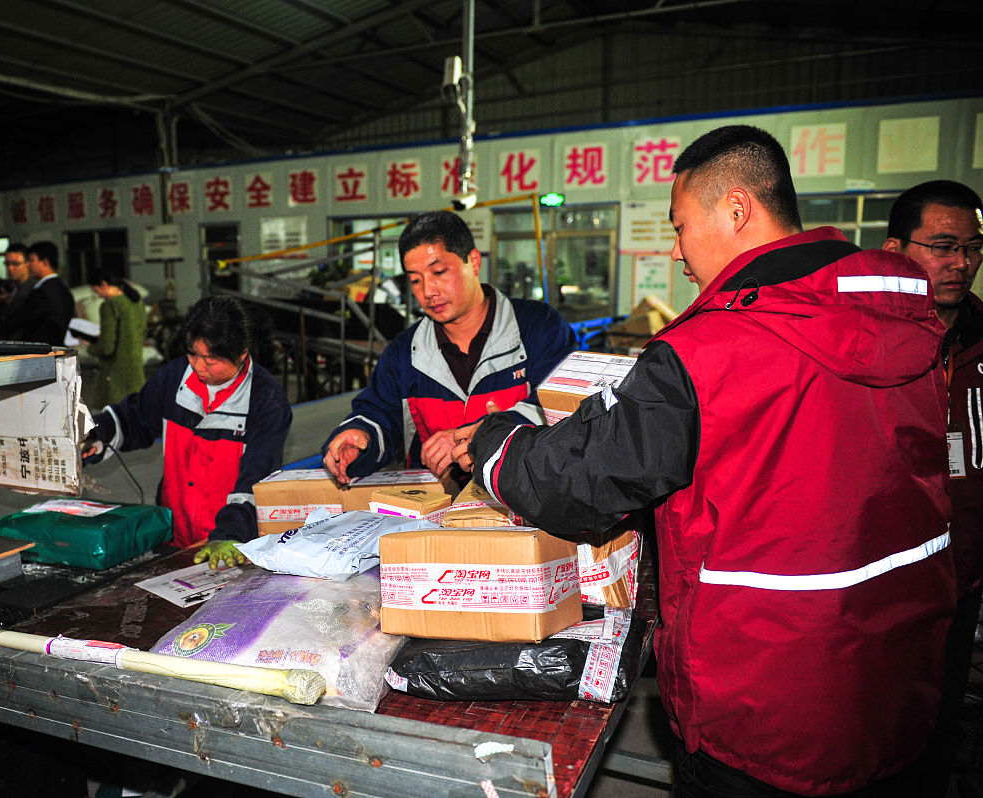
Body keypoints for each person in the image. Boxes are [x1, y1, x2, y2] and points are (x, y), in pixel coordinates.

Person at [453, 125, 953, 796]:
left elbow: (579, 484)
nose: (679, 252)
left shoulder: (709, 351)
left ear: (737, 209)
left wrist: (493, 444)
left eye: (682, 226)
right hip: (897, 690)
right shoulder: (906, 324)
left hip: (763, 715)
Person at [322, 210, 575, 485]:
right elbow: (379, 412)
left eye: (439, 272)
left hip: (523, 501)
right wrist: (360, 436)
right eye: (416, 280)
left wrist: (482, 434)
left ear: (474, 261)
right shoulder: (405, 352)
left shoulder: (539, 329)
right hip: (433, 510)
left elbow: (564, 410)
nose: (428, 291)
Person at [883, 180, 983, 796]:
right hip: (881, 583)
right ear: (896, 250)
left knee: (940, 721)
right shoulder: (866, 344)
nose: (961, 263)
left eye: (972, 248)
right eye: (942, 246)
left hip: (962, 575)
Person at [82, 295, 291, 568]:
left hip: (231, 542)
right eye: (193, 354)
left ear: (241, 354)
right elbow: (134, 417)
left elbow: (255, 481)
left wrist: (229, 535)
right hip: (175, 533)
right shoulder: (175, 377)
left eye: (211, 359)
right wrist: (93, 434)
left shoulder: (266, 399)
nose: (198, 366)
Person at [84, 269, 149, 407]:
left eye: (96, 291)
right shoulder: (137, 302)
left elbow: (107, 347)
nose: (98, 296)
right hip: (136, 370)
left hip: (115, 373)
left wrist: (90, 347)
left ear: (104, 284)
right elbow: (143, 332)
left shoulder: (110, 305)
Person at [4, 241, 74, 345]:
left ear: (45, 262)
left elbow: (20, 322)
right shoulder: (63, 290)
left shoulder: (43, 293)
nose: (28, 265)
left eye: (31, 260)